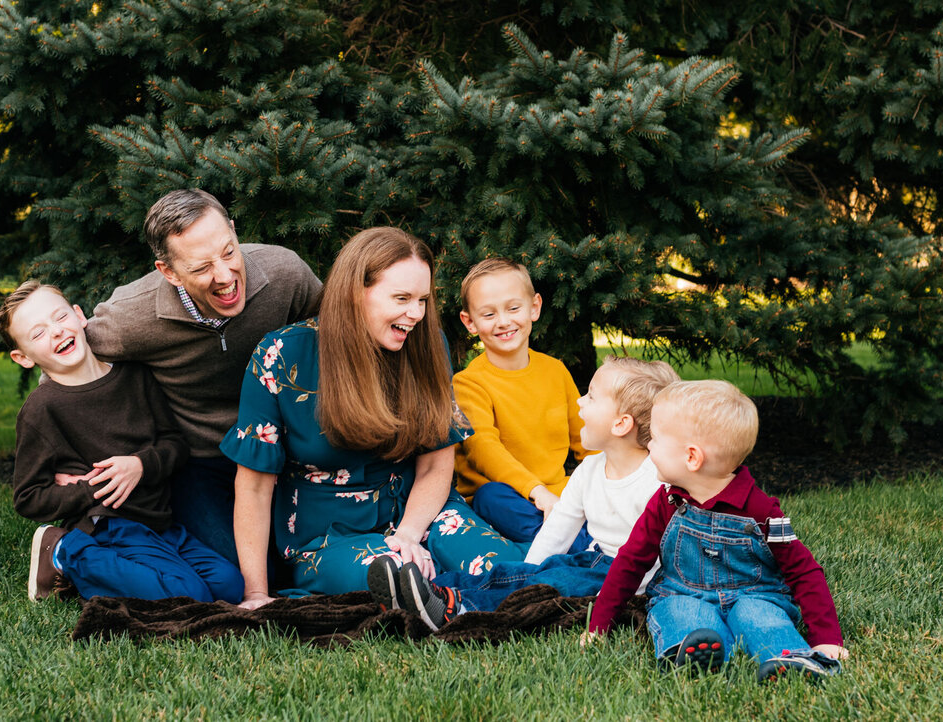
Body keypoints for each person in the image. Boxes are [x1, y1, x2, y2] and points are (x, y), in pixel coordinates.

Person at [220, 227, 525, 609]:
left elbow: (435, 463)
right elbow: (253, 487)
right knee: (394, 575)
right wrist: (256, 594)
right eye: (401, 298)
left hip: (420, 510)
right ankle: (451, 600)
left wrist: (411, 535)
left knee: (506, 567)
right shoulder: (281, 356)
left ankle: (451, 599)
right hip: (328, 536)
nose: (415, 314)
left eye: (422, 300)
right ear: (354, 292)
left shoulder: (427, 344)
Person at [86, 189, 322, 564]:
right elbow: (69, 369)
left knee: (305, 557)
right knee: (250, 569)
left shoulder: (286, 274)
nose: (226, 276)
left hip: (284, 452)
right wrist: (65, 463)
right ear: (168, 272)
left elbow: (332, 337)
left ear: (232, 230)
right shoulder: (129, 317)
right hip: (200, 462)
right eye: (201, 268)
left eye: (229, 252)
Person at [371, 356, 676, 631]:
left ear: (621, 424)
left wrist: (610, 599)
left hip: (621, 578)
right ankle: (426, 589)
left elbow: (655, 557)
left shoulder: (654, 479)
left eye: (592, 397)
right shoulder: (591, 468)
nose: (580, 402)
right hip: (591, 559)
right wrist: (530, 571)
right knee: (514, 574)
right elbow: (559, 526)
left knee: (554, 582)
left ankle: (457, 608)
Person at [585, 380, 850, 682]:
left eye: (655, 438)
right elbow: (630, 561)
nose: (648, 445)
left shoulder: (763, 512)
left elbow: (804, 571)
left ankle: (788, 658)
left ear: (692, 457)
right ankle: (694, 650)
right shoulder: (666, 501)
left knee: (760, 618)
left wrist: (827, 637)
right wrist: (599, 625)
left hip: (755, 595)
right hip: (684, 592)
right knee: (680, 612)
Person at [0, 281, 243, 604]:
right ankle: (64, 552)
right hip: (109, 528)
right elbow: (28, 497)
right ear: (23, 357)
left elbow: (175, 444)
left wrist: (140, 465)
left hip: (161, 522)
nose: (56, 332)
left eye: (59, 318)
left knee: (230, 587)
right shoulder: (42, 410)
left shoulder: (135, 376)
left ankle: (123, 572)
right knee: (188, 596)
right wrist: (90, 489)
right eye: (38, 334)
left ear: (79, 316)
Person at [451, 257, 593, 551]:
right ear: (470, 322)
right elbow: (485, 451)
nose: (503, 321)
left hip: (559, 494)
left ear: (534, 307)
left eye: (513, 308)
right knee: (491, 497)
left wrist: (612, 481)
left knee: (596, 487)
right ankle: (576, 545)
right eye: (488, 314)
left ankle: (564, 541)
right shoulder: (469, 383)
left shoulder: (554, 370)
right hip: (508, 500)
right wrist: (537, 492)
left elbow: (588, 440)